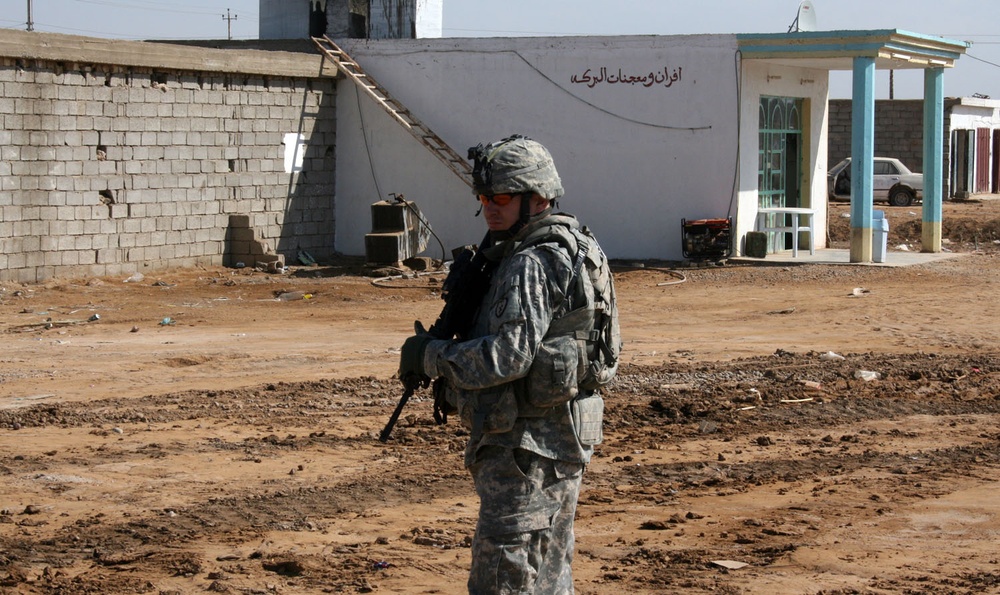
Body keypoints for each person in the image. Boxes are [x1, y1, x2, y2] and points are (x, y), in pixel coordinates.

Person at [397, 134, 617, 594]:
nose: (489, 208)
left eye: (500, 197)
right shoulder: (577, 244)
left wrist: (431, 356)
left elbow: (508, 356)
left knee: (505, 576)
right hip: (562, 438)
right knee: (550, 573)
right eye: (483, 197)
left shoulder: (531, 262)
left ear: (537, 198)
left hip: (525, 449)